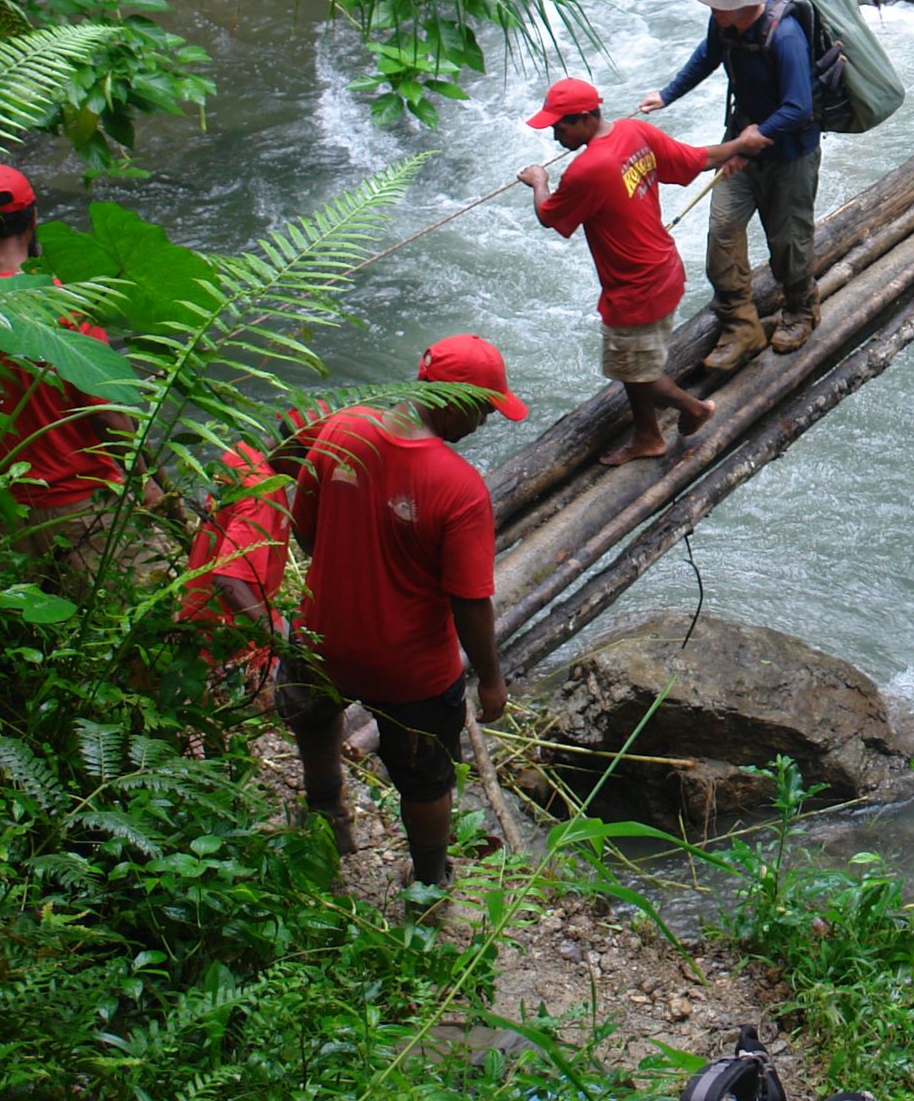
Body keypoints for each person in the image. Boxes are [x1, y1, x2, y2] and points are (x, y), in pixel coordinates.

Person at [279, 334, 522, 900]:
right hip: (410, 667)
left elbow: (305, 531)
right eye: (485, 407)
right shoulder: (458, 488)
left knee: (315, 721)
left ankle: (326, 822)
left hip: (321, 639)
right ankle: (430, 881)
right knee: (426, 775)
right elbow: (468, 600)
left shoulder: (340, 430)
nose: (486, 420)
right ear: (455, 399)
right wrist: (489, 678)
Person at [643, 0, 826, 372]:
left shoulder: (787, 36)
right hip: (741, 147)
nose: (712, 10)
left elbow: (798, 106)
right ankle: (741, 325)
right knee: (722, 230)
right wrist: (668, 94)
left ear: (744, 1)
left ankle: (801, 309)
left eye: (718, 4)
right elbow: (707, 56)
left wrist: (755, 138)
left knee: (789, 240)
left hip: (789, 155)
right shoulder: (724, 24)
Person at [522, 76, 718, 465]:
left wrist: (538, 181)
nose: (554, 134)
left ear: (582, 119)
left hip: (637, 287)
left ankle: (694, 408)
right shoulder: (632, 131)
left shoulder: (587, 168)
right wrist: (738, 148)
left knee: (633, 369)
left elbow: (549, 216)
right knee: (634, 362)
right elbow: (690, 161)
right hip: (662, 268)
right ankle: (648, 436)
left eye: (558, 126)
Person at [0, 164, 138, 572]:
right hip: (81, 510)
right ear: (34, 219)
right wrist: (145, 480)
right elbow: (106, 413)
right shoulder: (63, 305)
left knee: (20, 630)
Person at [178, 407, 310, 691]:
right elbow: (228, 578)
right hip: (225, 639)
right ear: (295, 451)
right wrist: (276, 638)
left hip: (197, 615)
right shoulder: (262, 494)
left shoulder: (244, 453)